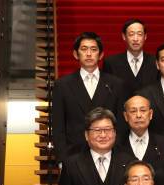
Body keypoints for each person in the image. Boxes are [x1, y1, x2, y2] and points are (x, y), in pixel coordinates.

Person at [52, 32, 126, 162]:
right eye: (84, 49)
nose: (89, 54)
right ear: (76, 54)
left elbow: (121, 125)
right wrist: (62, 160)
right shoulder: (62, 85)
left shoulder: (116, 84)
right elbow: (58, 127)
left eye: (93, 49)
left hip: (109, 155)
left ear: (101, 55)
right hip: (74, 156)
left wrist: (118, 155)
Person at [103, 19, 158, 98]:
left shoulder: (156, 62)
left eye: (139, 34)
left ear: (145, 36)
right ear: (124, 36)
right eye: (131, 34)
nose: (135, 39)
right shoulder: (111, 62)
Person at [120, 95, 164, 171]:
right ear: (125, 116)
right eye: (133, 111)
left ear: (150, 114)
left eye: (143, 110)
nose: (138, 115)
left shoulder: (163, 143)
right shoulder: (116, 143)